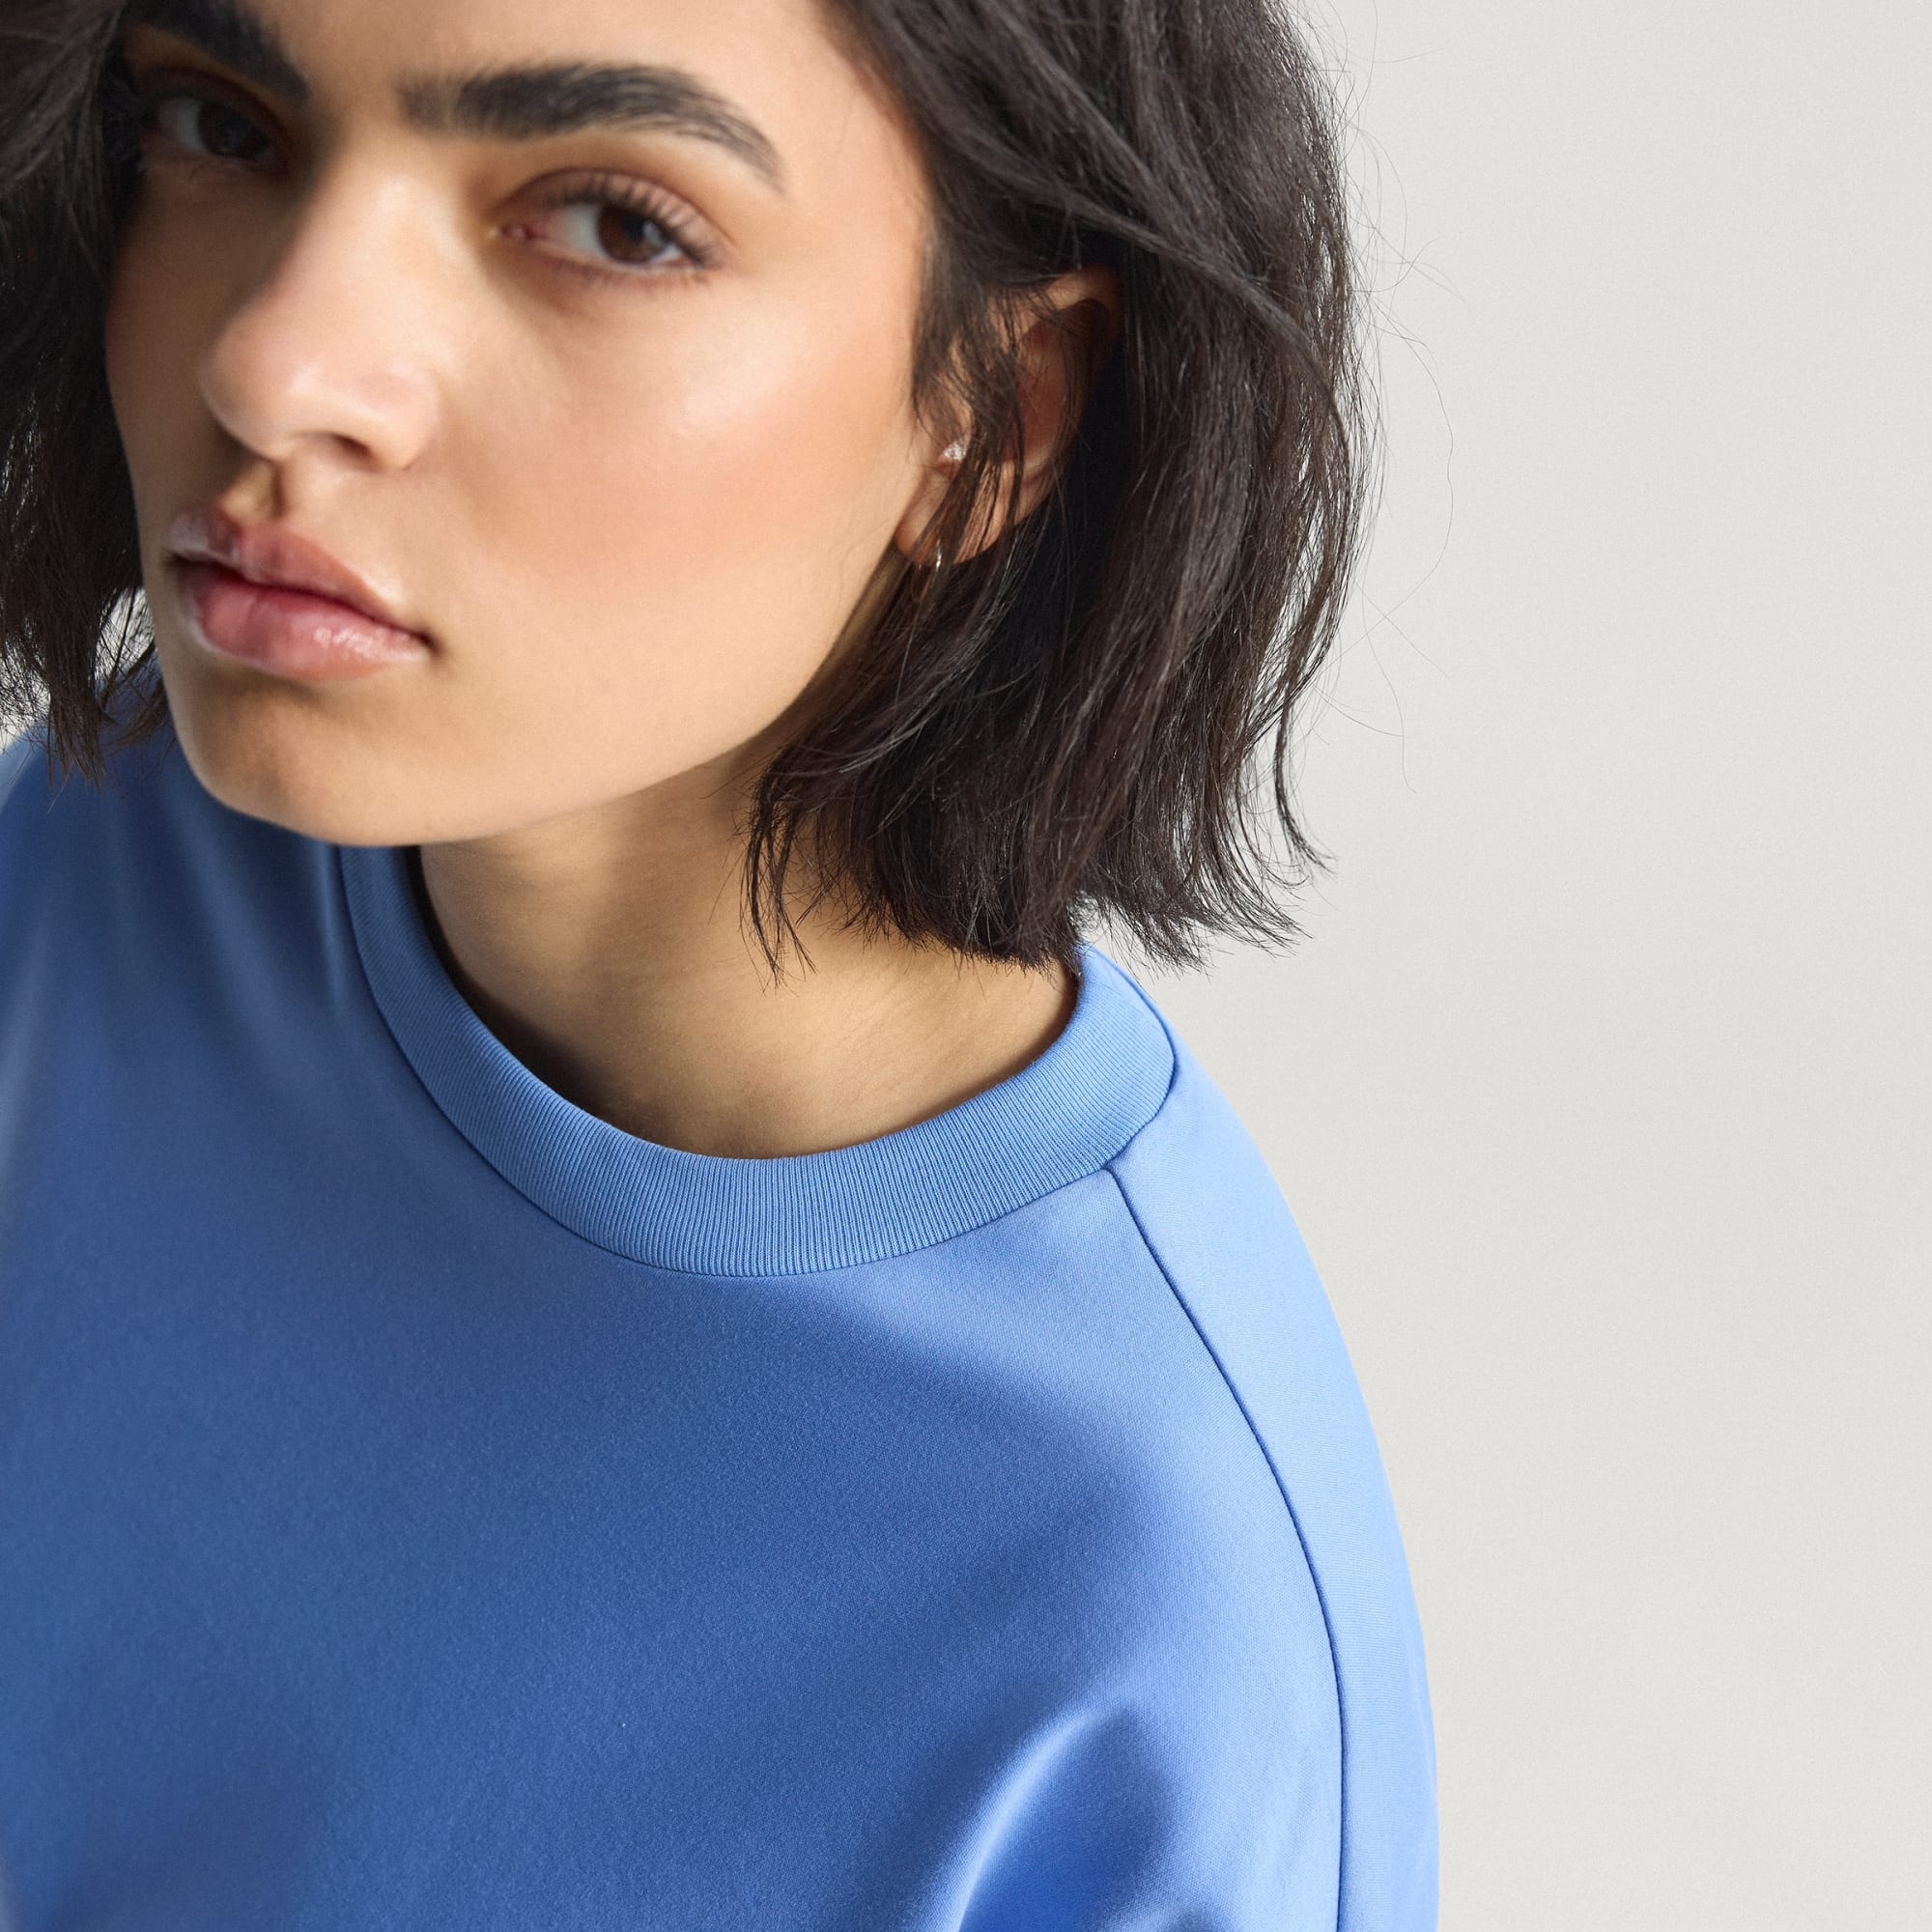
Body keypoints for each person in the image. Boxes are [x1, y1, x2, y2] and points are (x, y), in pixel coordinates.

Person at [0, 0, 1435, 1922]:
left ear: (996, 413)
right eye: (221, 124)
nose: (271, 365)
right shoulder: (111, 860)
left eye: (613, 224)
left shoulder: (1131, 1628)